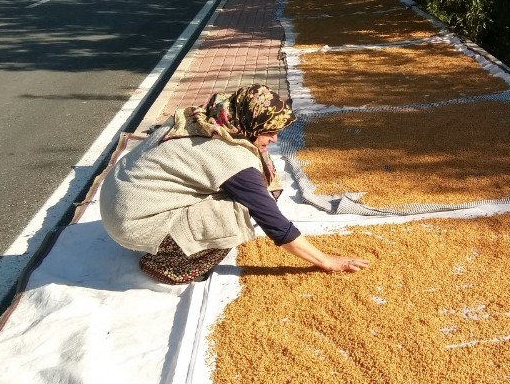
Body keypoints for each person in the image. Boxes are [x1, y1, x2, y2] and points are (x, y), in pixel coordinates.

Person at [99, 85, 369, 284]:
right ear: (250, 125)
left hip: (120, 201)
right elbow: (273, 222)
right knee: (239, 212)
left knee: (246, 196)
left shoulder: (207, 118)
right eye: (269, 132)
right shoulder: (232, 159)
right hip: (131, 223)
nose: (275, 140)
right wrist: (326, 261)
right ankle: (169, 267)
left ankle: (165, 238)